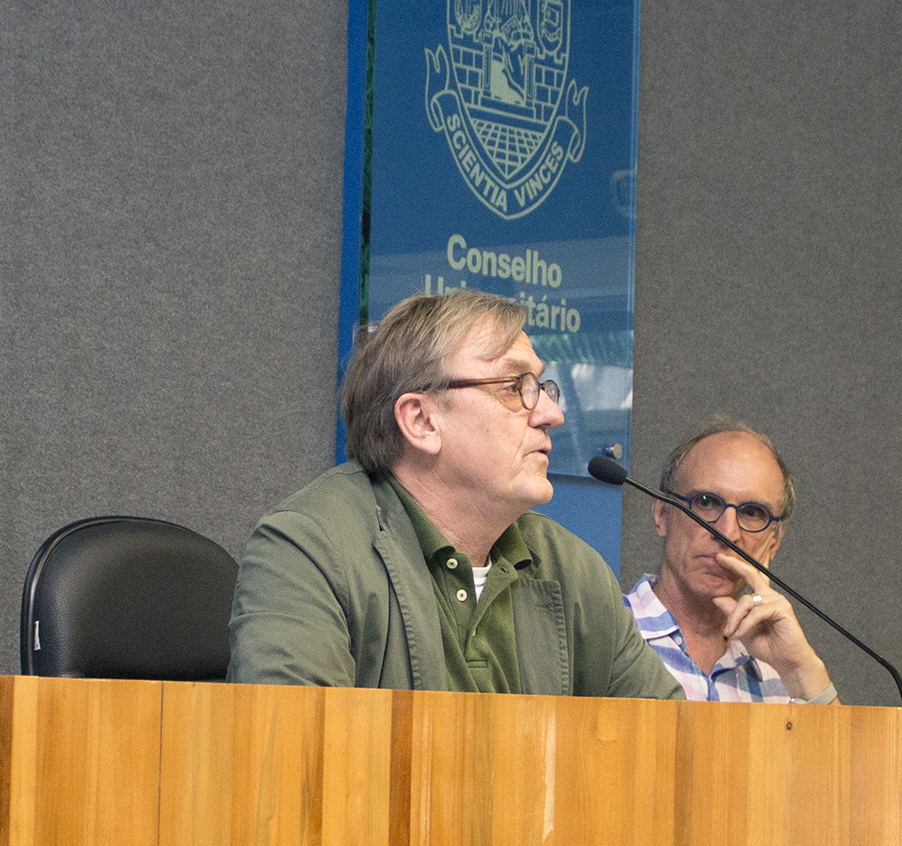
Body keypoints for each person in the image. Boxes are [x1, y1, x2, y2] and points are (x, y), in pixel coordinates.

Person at [228, 289, 678, 699]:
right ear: (422, 421)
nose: (551, 414)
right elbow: (297, 750)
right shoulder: (307, 549)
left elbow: (671, 743)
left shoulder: (574, 571)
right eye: (513, 387)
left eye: (541, 387)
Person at [623, 418, 835, 704]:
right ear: (662, 513)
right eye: (706, 502)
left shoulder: (782, 674)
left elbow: (837, 738)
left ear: (774, 542)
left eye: (752, 512)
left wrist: (799, 670)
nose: (727, 533)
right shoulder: (603, 633)